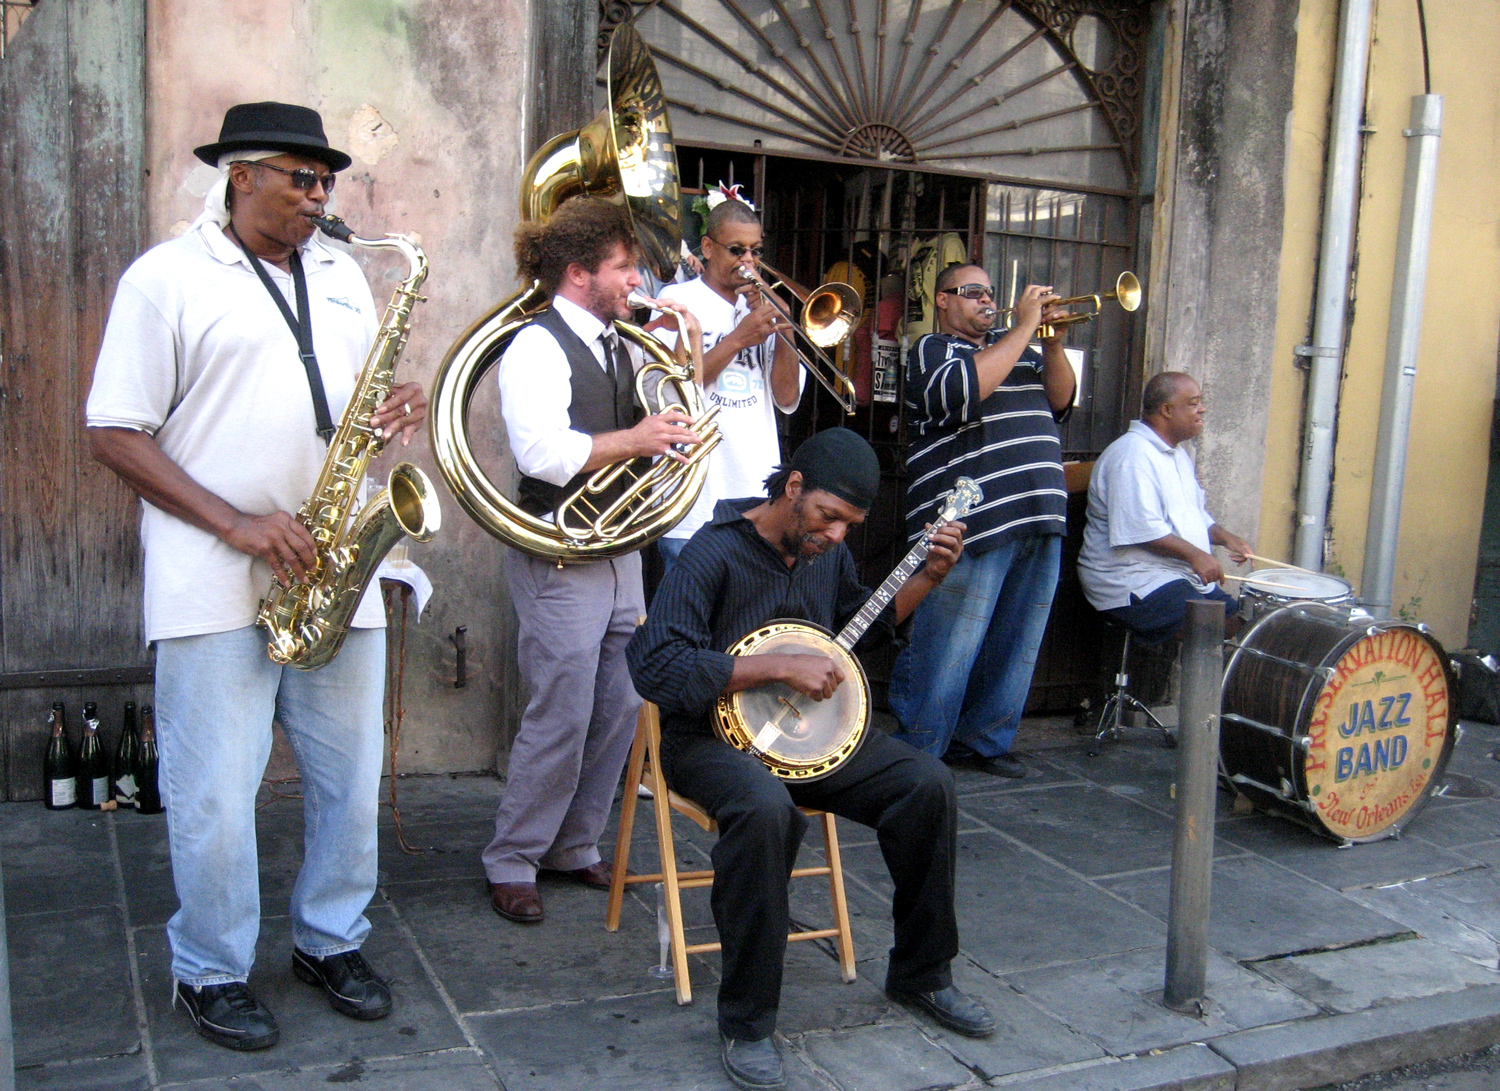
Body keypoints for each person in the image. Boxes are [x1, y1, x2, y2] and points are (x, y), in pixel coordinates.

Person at [86, 102, 422, 1050]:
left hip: (333, 567)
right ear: (241, 175)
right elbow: (112, 429)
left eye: (326, 182)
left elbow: (354, 399)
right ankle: (209, 967)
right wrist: (234, 521)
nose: (320, 197)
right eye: (300, 179)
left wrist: (400, 402)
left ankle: (329, 938)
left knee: (351, 786)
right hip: (213, 575)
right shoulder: (166, 279)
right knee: (217, 799)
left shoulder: (346, 276)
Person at [628, 428, 994, 1091]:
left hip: (807, 740)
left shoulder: (825, 556)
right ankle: (747, 1021)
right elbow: (655, 663)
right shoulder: (713, 554)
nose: (837, 535)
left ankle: (922, 972)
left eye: (851, 524)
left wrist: (929, 578)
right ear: (793, 488)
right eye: (829, 516)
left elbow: (861, 628)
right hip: (706, 740)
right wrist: (772, 666)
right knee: (769, 811)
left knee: (927, 784)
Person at [483, 196, 705, 925]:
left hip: (619, 549)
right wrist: (637, 440)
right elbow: (541, 454)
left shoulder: (623, 341)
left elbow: (662, 418)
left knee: (619, 706)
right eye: (624, 266)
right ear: (579, 273)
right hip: (561, 549)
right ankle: (514, 857)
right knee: (562, 709)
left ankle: (574, 844)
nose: (636, 278)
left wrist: (681, 376)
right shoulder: (536, 345)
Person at [888, 263, 1075, 778]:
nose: (985, 301)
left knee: (1016, 641)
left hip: (1037, 511)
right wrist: (1022, 328)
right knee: (948, 641)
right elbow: (960, 393)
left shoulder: (1022, 350)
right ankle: (918, 749)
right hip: (968, 522)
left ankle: (985, 741)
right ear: (943, 300)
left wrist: (1053, 345)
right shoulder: (933, 351)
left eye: (990, 292)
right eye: (972, 292)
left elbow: (1061, 403)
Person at [653, 197, 802, 565]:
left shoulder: (761, 308)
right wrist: (738, 338)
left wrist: (786, 331)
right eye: (736, 250)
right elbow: (673, 388)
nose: (748, 261)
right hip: (692, 499)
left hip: (754, 497)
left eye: (755, 251)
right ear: (707, 247)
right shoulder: (676, 300)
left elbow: (787, 397)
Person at [1078, 371, 1252, 640]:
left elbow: (1193, 516)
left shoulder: (1178, 454)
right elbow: (1141, 530)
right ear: (1167, 410)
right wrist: (1197, 555)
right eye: (1193, 403)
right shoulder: (1131, 456)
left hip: (1173, 575)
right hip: (1130, 581)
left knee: (1248, 628)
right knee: (1217, 628)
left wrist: (1227, 538)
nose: (1202, 409)